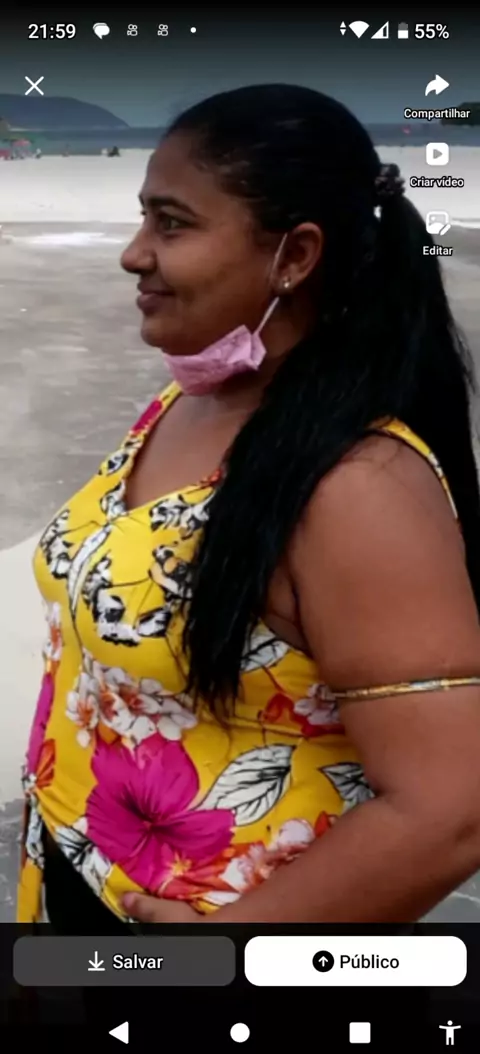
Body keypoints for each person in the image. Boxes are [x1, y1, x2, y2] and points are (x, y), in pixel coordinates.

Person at [18, 84, 480, 930]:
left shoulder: (357, 487)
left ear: (294, 256)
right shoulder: (187, 402)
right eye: (143, 217)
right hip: (77, 875)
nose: (133, 254)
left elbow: (451, 809)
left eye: (171, 224)